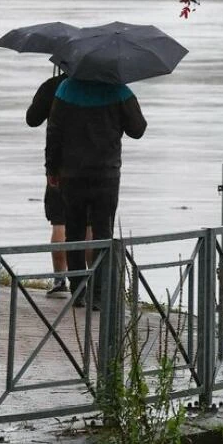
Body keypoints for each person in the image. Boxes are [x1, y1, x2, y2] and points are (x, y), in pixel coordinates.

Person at [45, 78, 147, 309]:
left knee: (74, 232)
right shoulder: (119, 90)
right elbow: (138, 129)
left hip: (72, 174)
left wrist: (52, 168)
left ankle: (78, 289)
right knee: (103, 233)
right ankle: (100, 296)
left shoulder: (65, 89)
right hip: (106, 174)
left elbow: (54, 131)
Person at [26, 71, 72, 297]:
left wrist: (50, 89)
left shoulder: (55, 85)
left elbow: (32, 119)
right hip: (97, 168)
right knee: (91, 225)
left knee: (59, 222)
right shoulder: (104, 86)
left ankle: (60, 282)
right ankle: (91, 283)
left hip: (60, 167)